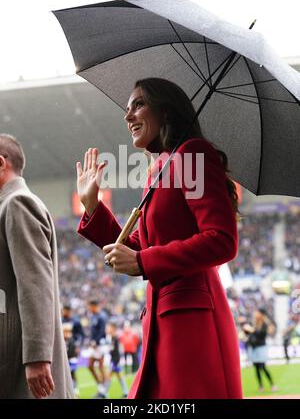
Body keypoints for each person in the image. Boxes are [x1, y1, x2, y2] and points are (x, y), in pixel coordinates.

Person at [76, 78, 243, 399]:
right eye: (126, 109)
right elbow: (136, 246)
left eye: (138, 104)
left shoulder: (192, 154)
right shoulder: (158, 169)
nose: (127, 116)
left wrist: (142, 261)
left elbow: (222, 240)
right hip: (162, 325)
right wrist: (92, 206)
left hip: (193, 327)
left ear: (166, 111)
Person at [0, 134, 73, 399]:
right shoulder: (10, 205)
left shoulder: (17, 203)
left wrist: (37, 357)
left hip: (20, 360)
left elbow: (34, 284)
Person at [242, 307, 277, 392]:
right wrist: (246, 330)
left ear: (261, 314)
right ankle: (261, 386)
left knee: (262, 367)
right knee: (256, 368)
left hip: (261, 348)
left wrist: (251, 330)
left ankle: (272, 384)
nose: (255, 314)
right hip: (254, 347)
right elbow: (250, 334)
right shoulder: (254, 323)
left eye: (257, 312)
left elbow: (261, 335)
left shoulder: (264, 323)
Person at [87, 300, 107, 398]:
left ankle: (103, 391)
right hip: (93, 345)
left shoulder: (101, 317)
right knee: (90, 366)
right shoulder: (93, 316)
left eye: (91, 306)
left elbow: (102, 331)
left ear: (95, 306)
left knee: (101, 367)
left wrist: (96, 341)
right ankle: (100, 387)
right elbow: (92, 331)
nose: (90, 308)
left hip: (100, 345)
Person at [105, 320, 128, 398]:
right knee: (119, 377)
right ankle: (126, 392)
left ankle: (105, 393)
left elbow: (118, 351)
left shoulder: (115, 339)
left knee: (108, 376)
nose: (107, 329)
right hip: (114, 360)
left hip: (115, 361)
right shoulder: (113, 338)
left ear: (113, 328)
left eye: (108, 327)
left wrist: (115, 361)